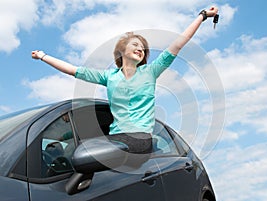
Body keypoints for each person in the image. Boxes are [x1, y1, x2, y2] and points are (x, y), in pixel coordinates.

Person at [32, 6, 218, 155]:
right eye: (135, 45)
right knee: (76, 147)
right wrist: (43, 56)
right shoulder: (109, 77)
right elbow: (74, 70)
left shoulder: (150, 71)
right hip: (116, 138)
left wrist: (202, 15)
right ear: (121, 51)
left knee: (92, 153)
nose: (141, 49)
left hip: (139, 138)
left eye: (143, 48)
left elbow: (178, 43)